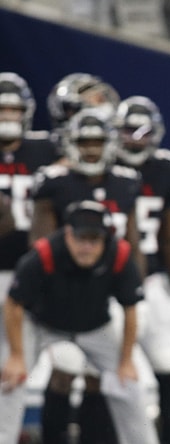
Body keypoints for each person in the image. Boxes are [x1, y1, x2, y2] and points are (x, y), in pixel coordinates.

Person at [30, 106, 146, 443]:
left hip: (107, 290)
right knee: (65, 368)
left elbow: (133, 244)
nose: (92, 149)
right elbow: (40, 246)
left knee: (103, 376)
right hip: (60, 293)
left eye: (98, 142)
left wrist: (133, 285)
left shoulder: (126, 182)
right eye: (85, 142)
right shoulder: (55, 182)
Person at [0, 200, 158, 444]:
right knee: (11, 379)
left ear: (105, 239)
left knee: (129, 384)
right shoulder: (45, 253)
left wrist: (126, 361)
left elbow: (130, 309)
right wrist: (16, 356)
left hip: (96, 327)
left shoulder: (119, 255)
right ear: (68, 235)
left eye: (94, 240)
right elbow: (12, 303)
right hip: (41, 324)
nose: (87, 247)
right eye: (81, 238)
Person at [114, 95, 170, 444]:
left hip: (152, 281)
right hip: (109, 283)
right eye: (128, 131)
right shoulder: (103, 165)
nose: (134, 140)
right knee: (104, 372)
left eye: (141, 132)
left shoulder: (164, 169)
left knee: (165, 364)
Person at [0, 72, 61, 347]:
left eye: (14, 109)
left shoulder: (47, 148)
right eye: (2, 109)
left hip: (34, 267)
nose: (7, 116)